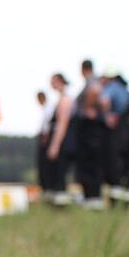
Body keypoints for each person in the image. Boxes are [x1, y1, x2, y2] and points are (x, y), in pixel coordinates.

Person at [100, 72, 129, 205]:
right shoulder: (125, 91)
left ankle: (115, 203)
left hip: (115, 134)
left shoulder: (111, 88)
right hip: (127, 134)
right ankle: (128, 201)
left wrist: (107, 116)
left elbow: (104, 101)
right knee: (125, 167)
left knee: (113, 166)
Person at [73, 59, 105, 210]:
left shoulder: (92, 81)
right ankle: (91, 197)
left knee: (89, 164)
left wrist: (88, 108)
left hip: (89, 130)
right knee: (90, 164)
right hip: (90, 130)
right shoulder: (95, 81)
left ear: (83, 69)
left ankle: (93, 197)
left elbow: (95, 91)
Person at [44, 73, 75, 206]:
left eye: (53, 81)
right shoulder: (60, 99)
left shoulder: (65, 101)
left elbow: (62, 124)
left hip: (63, 141)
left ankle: (61, 202)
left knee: (60, 171)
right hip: (61, 140)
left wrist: (55, 145)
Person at [36, 90, 54, 193]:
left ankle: (47, 188)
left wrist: (45, 138)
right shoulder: (46, 108)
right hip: (44, 137)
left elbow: (47, 125)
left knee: (45, 164)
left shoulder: (49, 108)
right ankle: (45, 187)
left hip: (46, 138)